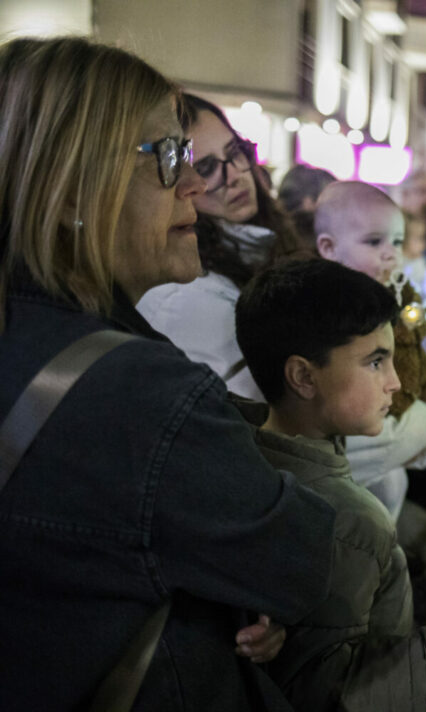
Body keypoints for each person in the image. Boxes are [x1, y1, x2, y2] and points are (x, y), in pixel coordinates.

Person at [0, 36, 335, 711]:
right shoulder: (139, 392)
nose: (196, 185)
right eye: (170, 155)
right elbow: (301, 562)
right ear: (71, 193)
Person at [233, 258, 426, 710]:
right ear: (303, 376)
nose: (396, 383)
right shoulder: (349, 520)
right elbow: (322, 692)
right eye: (375, 362)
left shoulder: (236, 455)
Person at [138, 94, 305, 399]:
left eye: (234, 152)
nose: (234, 176)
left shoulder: (270, 240)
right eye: (206, 167)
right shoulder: (182, 296)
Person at [315, 181, 426, 517]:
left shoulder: (399, 295)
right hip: (355, 432)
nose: (391, 253)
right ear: (329, 247)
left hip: (392, 413)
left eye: (398, 241)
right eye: (374, 242)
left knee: (391, 486)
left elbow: (414, 345)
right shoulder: (329, 306)